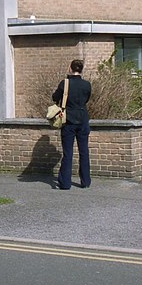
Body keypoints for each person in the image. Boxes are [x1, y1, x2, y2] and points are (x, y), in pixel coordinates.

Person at [52, 59, 91, 190]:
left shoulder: (65, 83)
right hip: (83, 119)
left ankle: (65, 183)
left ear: (70, 68)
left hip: (68, 120)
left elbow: (55, 97)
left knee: (68, 153)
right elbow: (87, 99)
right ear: (81, 69)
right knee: (84, 151)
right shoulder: (87, 85)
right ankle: (85, 181)